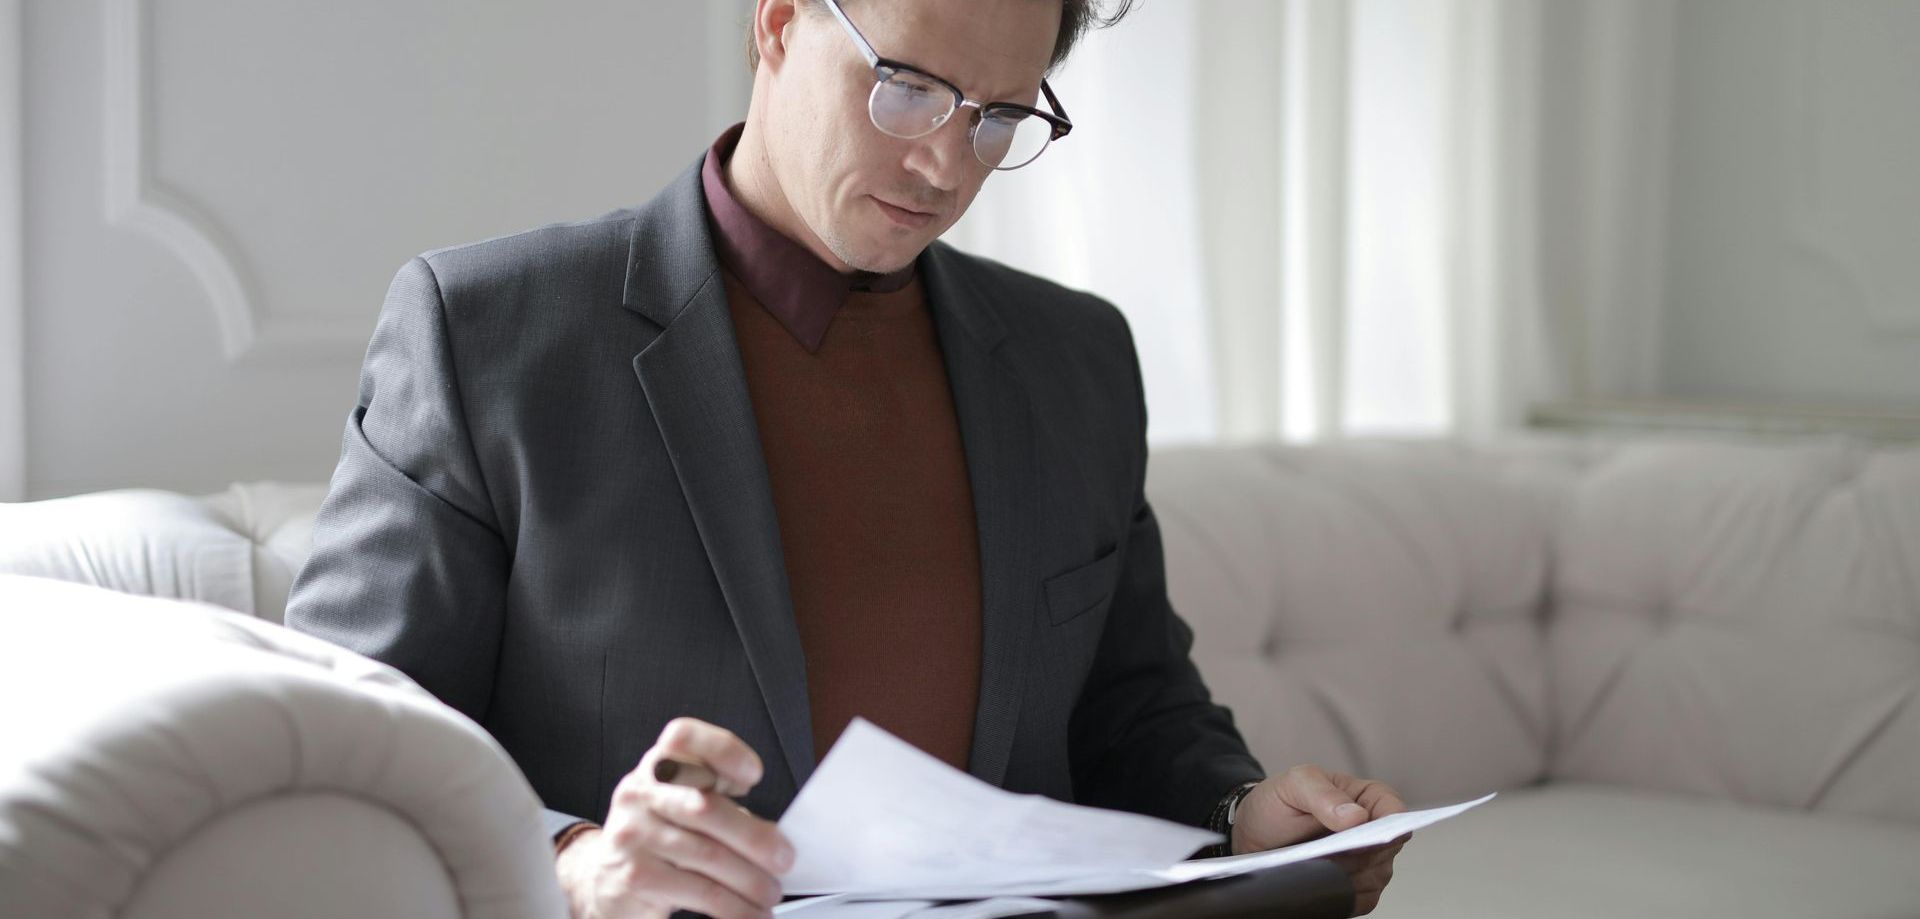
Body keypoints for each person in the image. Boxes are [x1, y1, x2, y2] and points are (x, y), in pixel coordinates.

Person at [285, 1, 1412, 917]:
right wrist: (574, 863)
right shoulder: (488, 334)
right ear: (777, 24)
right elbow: (344, 756)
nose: (943, 164)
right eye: (908, 86)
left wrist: (1243, 814)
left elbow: (1134, 707)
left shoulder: (1078, 358)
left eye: (997, 117)